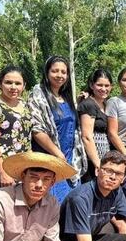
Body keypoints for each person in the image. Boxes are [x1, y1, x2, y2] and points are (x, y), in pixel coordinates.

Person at [28, 56, 86, 202]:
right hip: (50, 159)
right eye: (55, 71)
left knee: (71, 203)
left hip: (71, 159)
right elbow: (37, 130)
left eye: (63, 72)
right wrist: (58, 154)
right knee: (52, 204)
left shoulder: (66, 97)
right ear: (47, 72)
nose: (59, 75)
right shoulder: (38, 95)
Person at [78, 69, 113, 181]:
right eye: (99, 85)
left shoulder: (106, 104)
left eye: (107, 85)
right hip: (91, 160)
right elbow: (87, 136)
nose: (103, 89)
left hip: (104, 156)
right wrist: (98, 163)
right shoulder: (89, 104)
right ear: (92, 85)